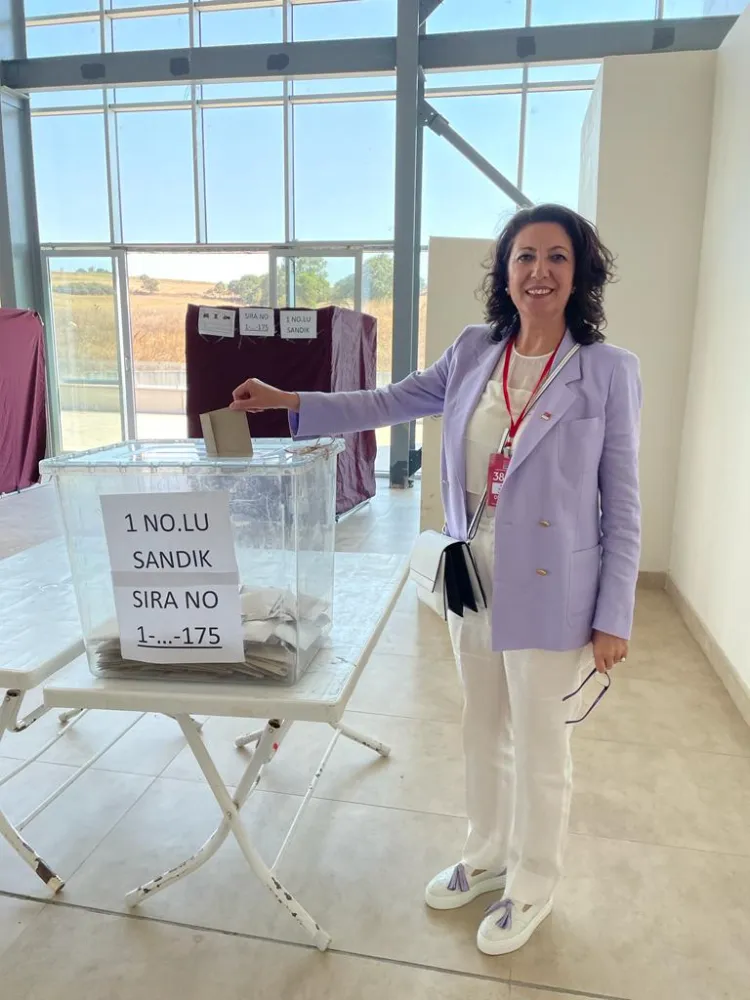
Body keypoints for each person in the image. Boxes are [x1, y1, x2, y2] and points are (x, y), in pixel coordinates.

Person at [230, 204, 642, 957]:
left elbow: (623, 501)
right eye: (525, 256)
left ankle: (534, 882)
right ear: (505, 271)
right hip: (473, 574)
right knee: (481, 727)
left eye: (557, 257)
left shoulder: (607, 370)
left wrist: (615, 613)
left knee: (541, 744)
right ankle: (487, 854)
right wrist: (293, 403)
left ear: (580, 272)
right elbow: (389, 401)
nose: (540, 271)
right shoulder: (474, 351)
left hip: (554, 585)